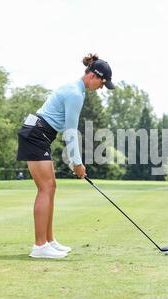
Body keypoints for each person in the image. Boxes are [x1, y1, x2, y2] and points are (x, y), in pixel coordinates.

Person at [16, 53, 115, 259]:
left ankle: (49, 241)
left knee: (50, 187)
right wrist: (77, 163)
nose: (101, 88)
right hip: (35, 134)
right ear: (93, 76)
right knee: (46, 188)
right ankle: (40, 246)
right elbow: (70, 133)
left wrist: (75, 162)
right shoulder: (75, 94)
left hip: (39, 134)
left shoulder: (75, 90)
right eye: (102, 83)